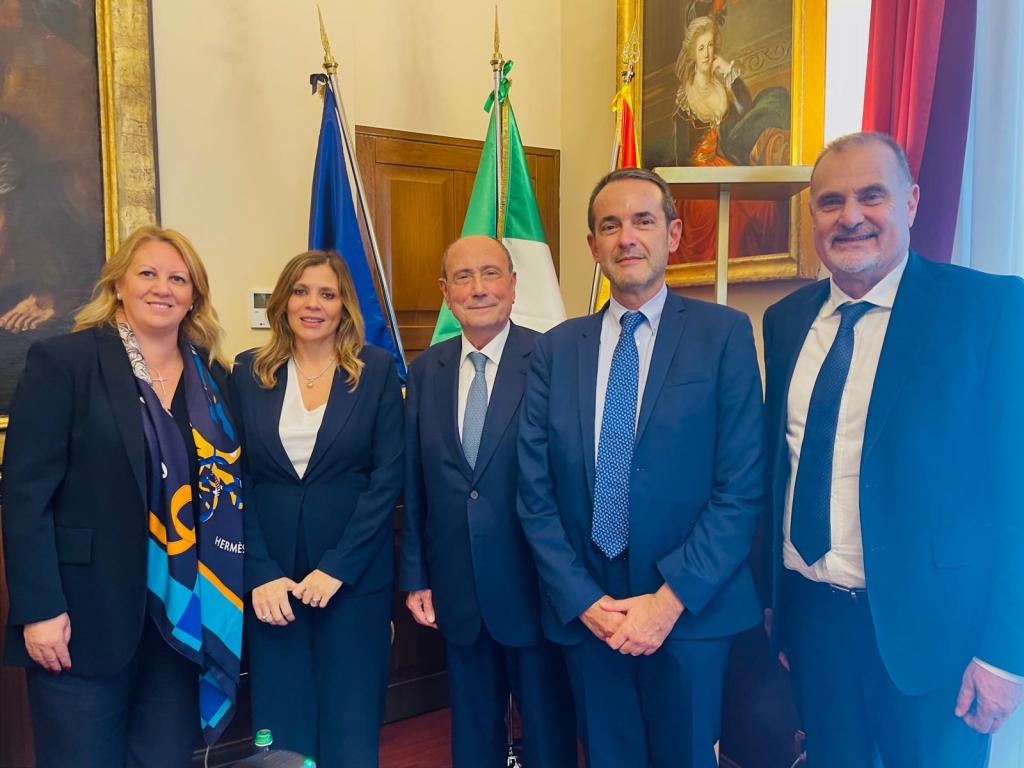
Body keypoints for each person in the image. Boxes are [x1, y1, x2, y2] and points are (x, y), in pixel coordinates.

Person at [762, 131, 1024, 767]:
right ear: (812, 215)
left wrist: (1004, 655)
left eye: (871, 196)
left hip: (938, 644)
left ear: (911, 202)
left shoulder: (987, 309)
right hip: (814, 626)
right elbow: (779, 469)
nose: (850, 216)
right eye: (831, 201)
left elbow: (1014, 489)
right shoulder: (785, 320)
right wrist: (779, 610)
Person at [517, 167, 765, 767]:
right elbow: (535, 494)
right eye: (610, 225)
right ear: (593, 245)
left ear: (672, 234)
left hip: (690, 611)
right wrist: (582, 600)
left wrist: (668, 601)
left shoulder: (724, 335)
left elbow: (740, 488)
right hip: (590, 616)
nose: (627, 237)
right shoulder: (555, 349)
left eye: (643, 221)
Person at [2, 225, 244, 766]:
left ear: (194, 296)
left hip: (182, 619)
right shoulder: (65, 362)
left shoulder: (215, 380)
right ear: (118, 285)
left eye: (178, 279)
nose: (163, 288)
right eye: (148, 274)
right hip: (83, 618)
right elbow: (25, 496)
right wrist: (40, 610)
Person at [401, 235, 576, 768]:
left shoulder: (552, 358)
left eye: (491, 273)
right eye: (463, 277)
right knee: (474, 736)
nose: (478, 289)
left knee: (548, 733)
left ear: (514, 284)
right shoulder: (425, 371)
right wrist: (417, 576)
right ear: (445, 292)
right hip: (457, 588)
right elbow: (416, 483)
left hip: (536, 586)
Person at [232, 250, 403, 767]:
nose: (313, 304)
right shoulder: (247, 371)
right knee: (282, 720)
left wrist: (338, 567)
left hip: (353, 577)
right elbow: (233, 480)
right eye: (301, 292)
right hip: (273, 583)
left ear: (343, 305)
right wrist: (260, 571)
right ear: (283, 302)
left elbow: (387, 478)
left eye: (327, 294)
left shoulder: (375, 371)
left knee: (352, 718)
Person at [646, 13, 789, 264]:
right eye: (701, 47)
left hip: (724, 163)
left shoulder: (721, 89)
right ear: (692, 53)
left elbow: (746, 113)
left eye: (711, 45)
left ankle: (750, 267)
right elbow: (681, 154)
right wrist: (699, 177)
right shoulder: (687, 96)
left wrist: (728, 72)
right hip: (696, 172)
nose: (707, 53)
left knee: (763, 204)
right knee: (714, 209)